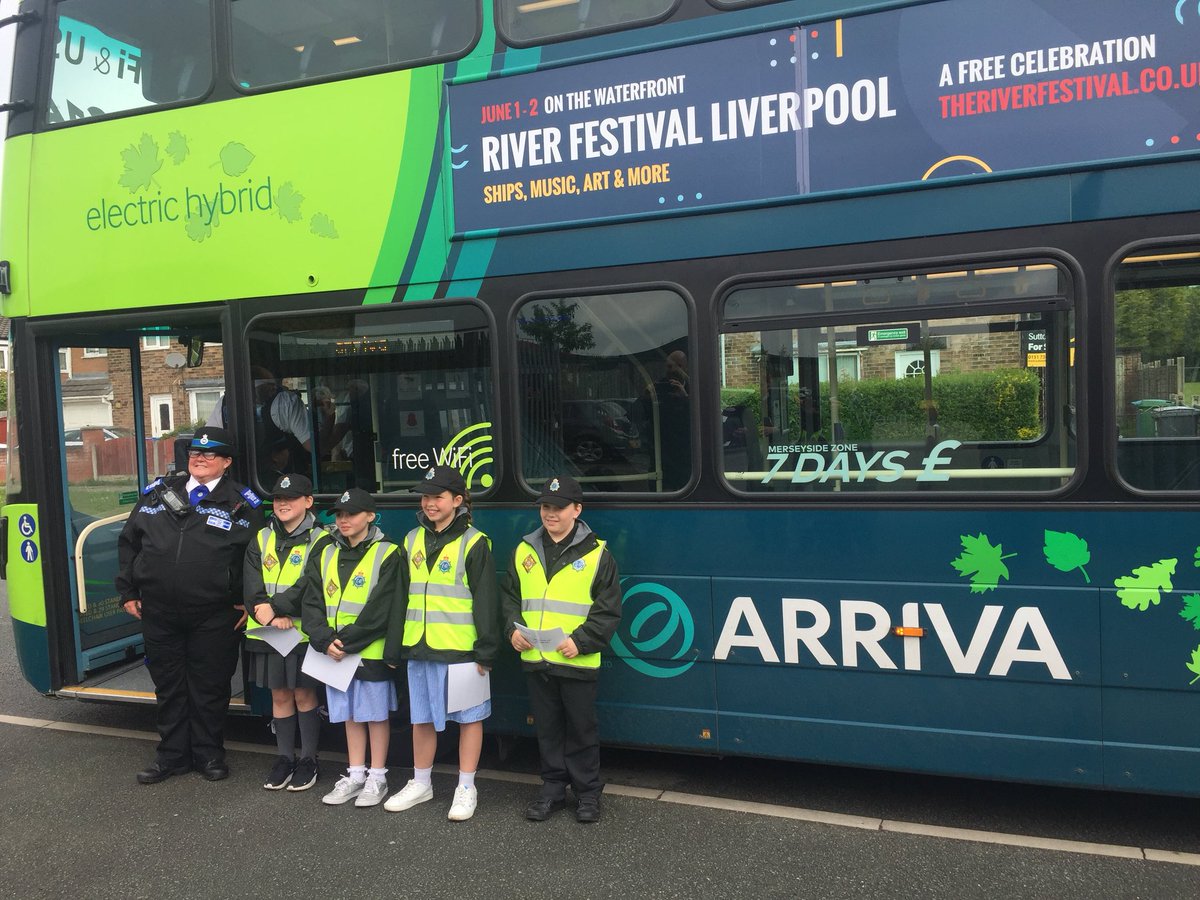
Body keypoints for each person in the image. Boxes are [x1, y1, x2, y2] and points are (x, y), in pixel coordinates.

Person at [117, 426, 264, 784]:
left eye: (210, 454)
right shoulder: (157, 495)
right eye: (195, 454)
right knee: (168, 686)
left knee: (209, 687)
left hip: (214, 614)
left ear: (226, 462)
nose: (199, 458)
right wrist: (129, 592)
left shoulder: (242, 503)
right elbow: (128, 544)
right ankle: (171, 756)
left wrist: (248, 600)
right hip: (160, 611)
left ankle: (209, 754)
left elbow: (256, 557)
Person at [502, 474, 622, 823]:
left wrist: (581, 641)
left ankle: (587, 794)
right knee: (548, 728)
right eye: (545, 507)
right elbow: (509, 597)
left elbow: (608, 608)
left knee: (582, 729)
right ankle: (552, 790)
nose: (550, 513)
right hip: (536, 658)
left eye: (558, 507)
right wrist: (512, 630)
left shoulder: (598, 553)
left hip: (577, 659)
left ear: (577, 509)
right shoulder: (524, 549)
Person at [383, 466, 499, 822]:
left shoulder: (475, 542)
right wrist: (394, 647)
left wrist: (487, 649)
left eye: (437, 497)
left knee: (469, 720)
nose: (429, 503)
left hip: (462, 650)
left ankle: (466, 787)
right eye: (425, 496)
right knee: (421, 718)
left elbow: (486, 600)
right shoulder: (411, 540)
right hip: (419, 646)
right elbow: (399, 596)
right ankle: (421, 782)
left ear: (458, 501)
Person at [301, 487, 406, 808]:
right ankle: (356, 773)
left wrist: (344, 643)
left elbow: (384, 607)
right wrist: (322, 639)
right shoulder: (326, 551)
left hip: (366, 651)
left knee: (374, 716)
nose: (344, 521)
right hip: (333, 652)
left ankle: (377, 777)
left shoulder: (389, 553)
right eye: (340, 515)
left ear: (371, 516)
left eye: (352, 515)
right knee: (349, 715)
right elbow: (312, 600)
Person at [243, 473, 331, 792]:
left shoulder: (322, 539)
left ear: (308, 502)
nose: (282, 504)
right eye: (278, 499)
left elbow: (311, 582)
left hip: (301, 633)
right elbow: (251, 582)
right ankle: (284, 758)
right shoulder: (262, 537)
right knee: (279, 695)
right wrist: (265, 613)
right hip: (270, 632)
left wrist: (277, 608)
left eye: (291, 499)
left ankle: (308, 759)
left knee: (305, 694)